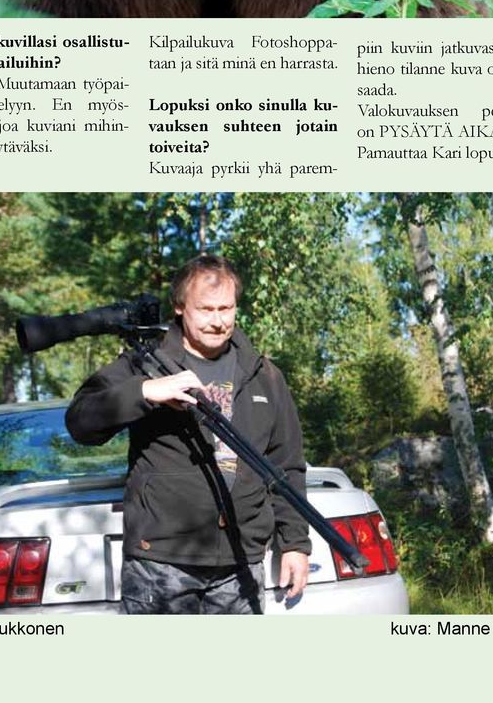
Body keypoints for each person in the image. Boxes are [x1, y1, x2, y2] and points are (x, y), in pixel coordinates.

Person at [65, 255, 312, 614]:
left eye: (226, 309)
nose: (218, 321)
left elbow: (286, 465)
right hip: (160, 562)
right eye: (206, 309)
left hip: (241, 562)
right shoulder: (147, 362)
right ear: (180, 307)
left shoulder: (263, 375)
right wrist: (146, 392)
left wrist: (294, 544)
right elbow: (80, 421)